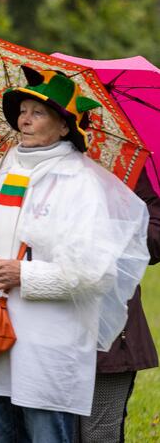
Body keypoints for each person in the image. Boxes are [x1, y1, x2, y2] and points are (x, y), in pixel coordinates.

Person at [0, 66, 149, 443]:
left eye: (38, 112)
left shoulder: (81, 183)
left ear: (65, 126)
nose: (24, 119)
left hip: (47, 344)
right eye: (22, 111)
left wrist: (25, 275)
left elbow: (95, 274)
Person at [78, 167, 159, 442]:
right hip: (38, 330)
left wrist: (110, 228)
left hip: (108, 328)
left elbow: (156, 234)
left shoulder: (125, 167)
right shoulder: (22, 171)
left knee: (99, 435)